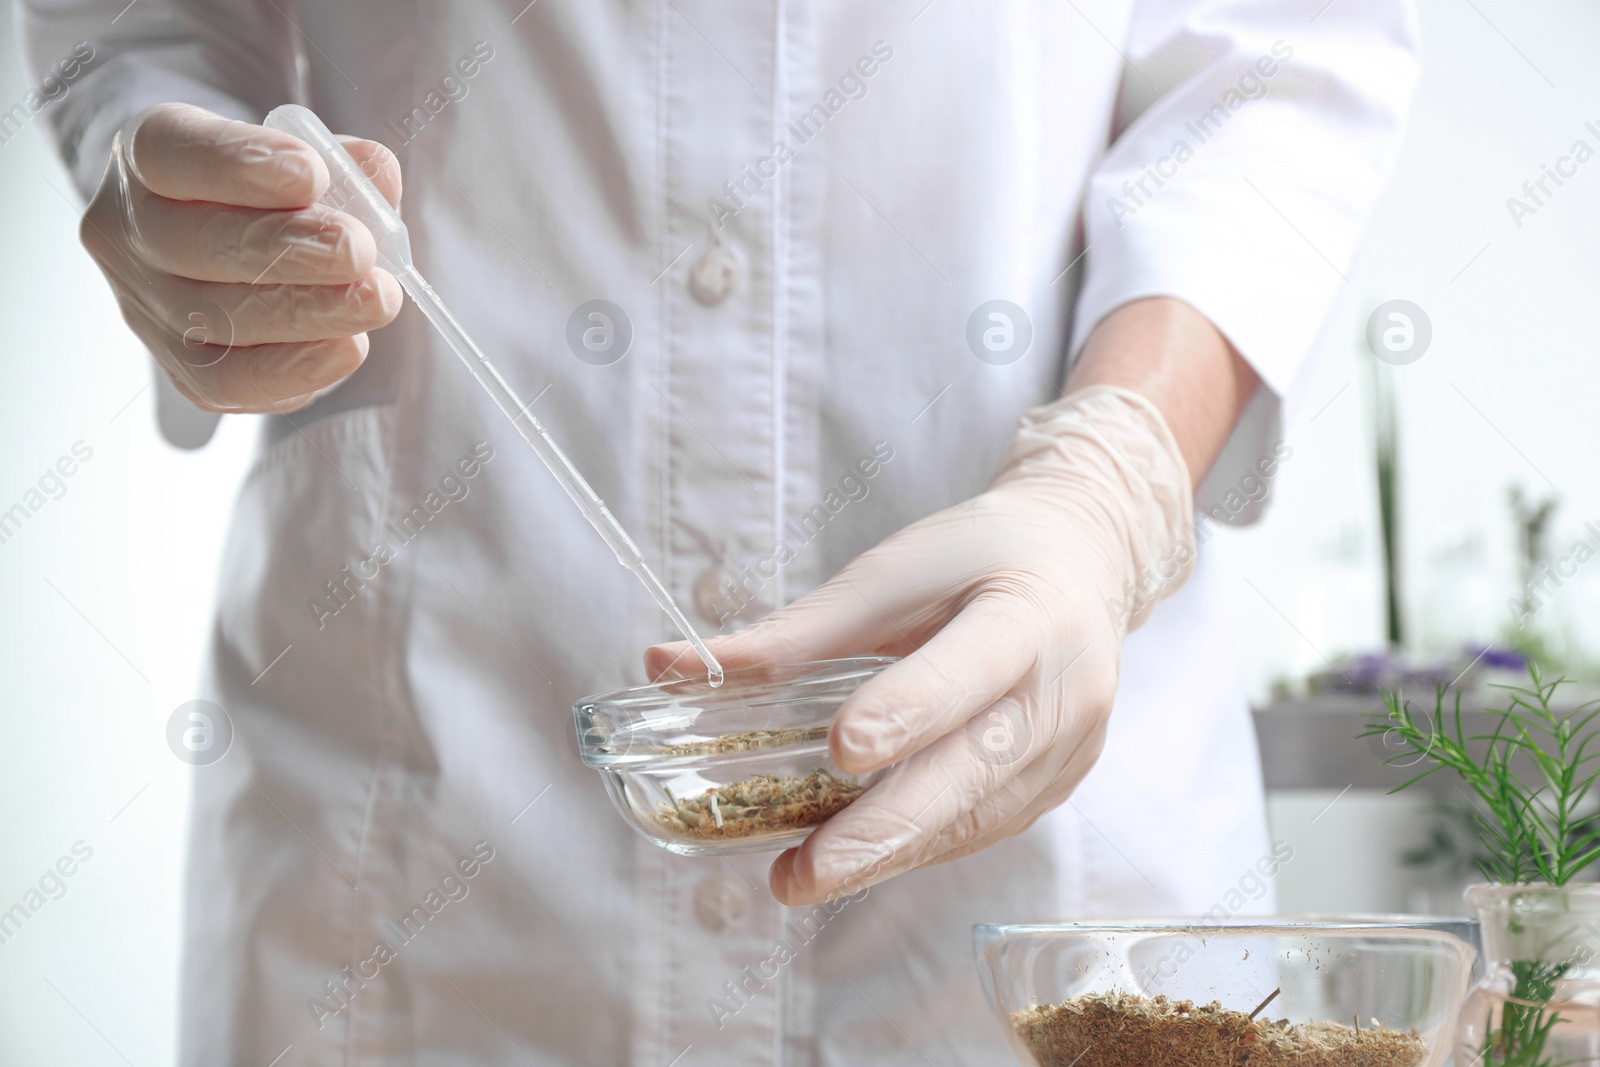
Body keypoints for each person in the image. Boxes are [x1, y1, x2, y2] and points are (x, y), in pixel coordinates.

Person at [23, 0, 1420, 1062]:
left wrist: (1115, 476)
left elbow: (1279, 57)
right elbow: (138, 21)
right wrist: (161, 149)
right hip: (434, 822)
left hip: (1032, 814)